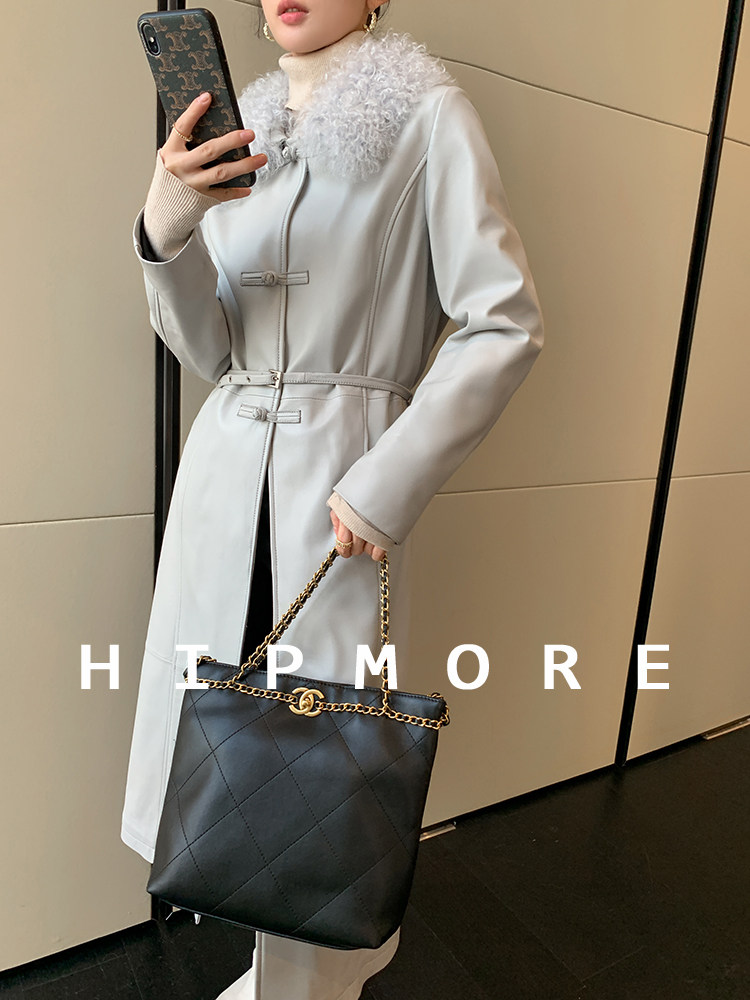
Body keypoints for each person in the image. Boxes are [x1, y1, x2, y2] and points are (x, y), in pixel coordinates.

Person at [121, 0, 544, 996]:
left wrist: (387, 482)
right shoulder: (241, 130)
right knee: (221, 755)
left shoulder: (427, 114)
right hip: (225, 483)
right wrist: (165, 232)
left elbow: (505, 321)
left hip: (339, 491)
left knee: (318, 764)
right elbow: (212, 349)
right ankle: (268, 975)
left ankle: (309, 984)